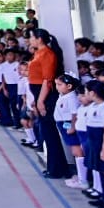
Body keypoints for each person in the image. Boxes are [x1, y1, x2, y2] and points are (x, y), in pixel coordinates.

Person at [28, 30, 72, 179]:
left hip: (46, 95)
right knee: (47, 133)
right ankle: (54, 166)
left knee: (50, 132)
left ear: (39, 39)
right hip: (39, 93)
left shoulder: (48, 54)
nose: (30, 40)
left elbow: (47, 80)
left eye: (32, 37)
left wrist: (41, 100)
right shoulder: (39, 53)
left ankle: (58, 169)